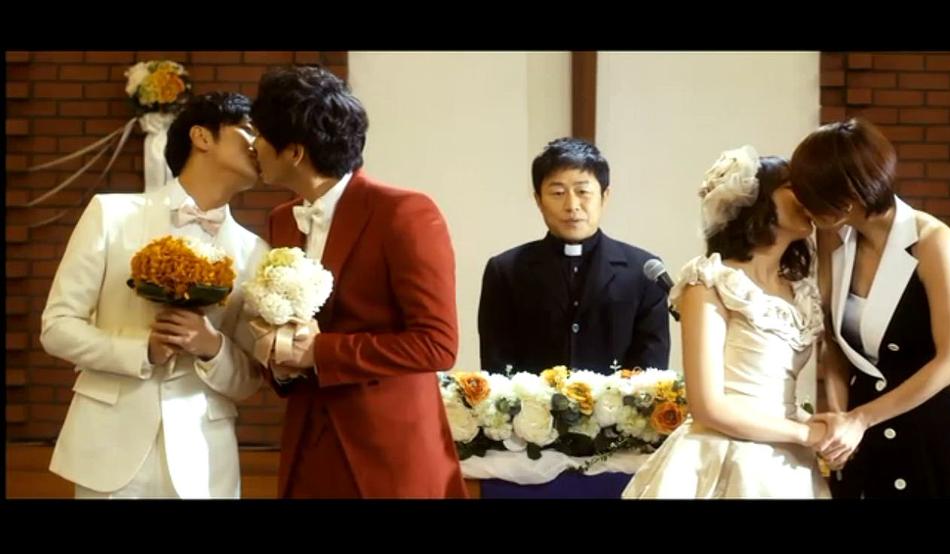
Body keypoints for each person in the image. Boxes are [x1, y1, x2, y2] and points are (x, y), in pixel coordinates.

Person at [251, 65, 467, 498]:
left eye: (259, 135)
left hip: (390, 452)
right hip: (309, 447)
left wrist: (320, 352)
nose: (252, 145)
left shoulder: (403, 213)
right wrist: (281, 360)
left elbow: (436, 344)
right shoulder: (282, 220)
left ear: (293, 152)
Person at [41, 92, 268, 498]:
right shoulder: (110, 215)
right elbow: (57, 328)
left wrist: (212, 347)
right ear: (202, 137)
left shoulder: (255, 252)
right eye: (248, 130)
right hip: (109, 450)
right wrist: (141, 350)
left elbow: (249, 379)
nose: (259, 144)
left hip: (203, 459)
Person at [623, 145, 830, 498]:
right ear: (756, 200)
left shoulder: (800, 292)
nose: (807, 197)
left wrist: (815, 428)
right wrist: (804, 433)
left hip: (786, 463)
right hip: (723, 455)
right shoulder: (709, 281)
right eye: (792, 187)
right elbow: (708, 406)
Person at [790, 118, 950, 498]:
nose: (803, 205)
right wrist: (841, 420)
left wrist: (861, 419)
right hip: (860, 441)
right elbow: (833, 344)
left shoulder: (932, 239)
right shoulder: (832, 239)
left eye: (811, 194)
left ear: (846, 199)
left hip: (926, 437)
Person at [478, 137, 670, 376]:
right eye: (558, 193)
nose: (572, 205)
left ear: (605, 196)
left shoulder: (643, 271)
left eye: (583, 191)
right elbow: (497, 366)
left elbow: (651, 370)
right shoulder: (505, 271)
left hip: (620, 402)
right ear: (538, 200)